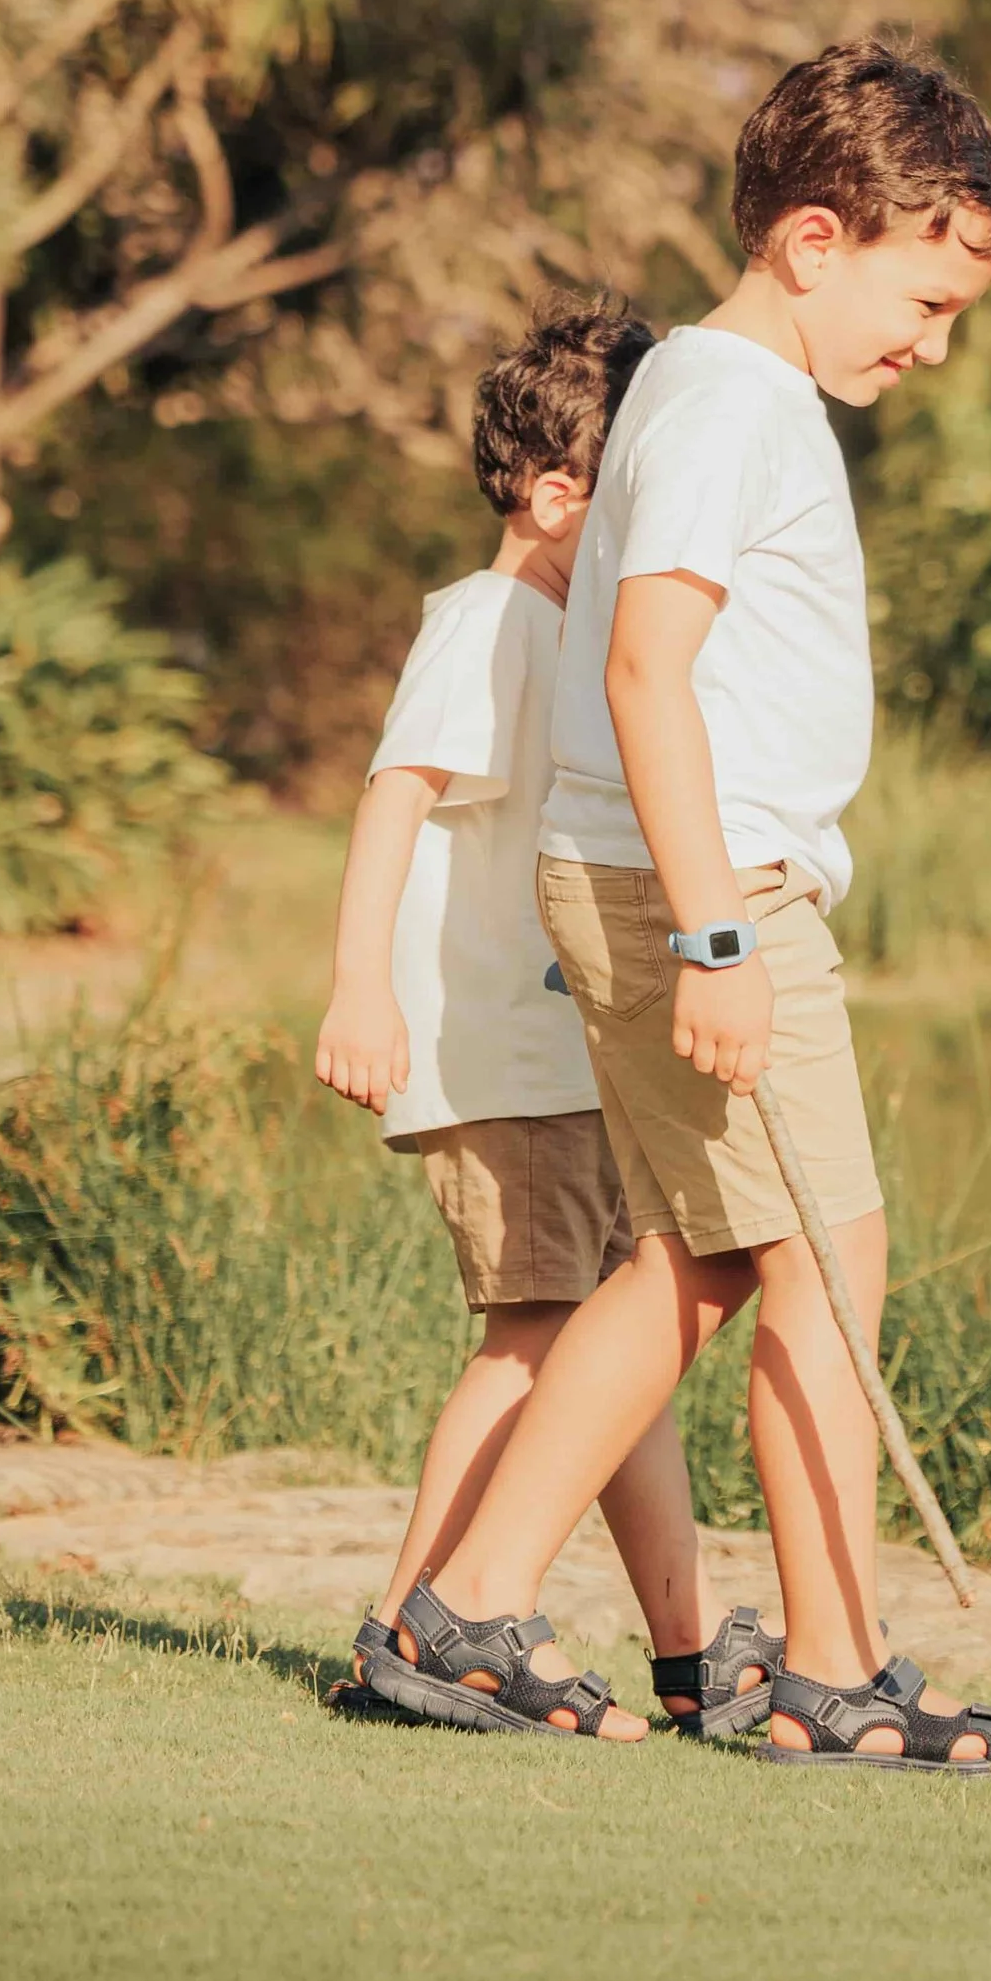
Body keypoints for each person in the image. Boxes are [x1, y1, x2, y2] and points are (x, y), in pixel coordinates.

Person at [363, 39, 991, 1774]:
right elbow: (648, 666)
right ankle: (826, 1669)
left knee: (703, 1261)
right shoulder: (737, 402)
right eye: (926, 293)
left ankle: (469, 1613)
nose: (934, 339)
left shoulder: (705, 388)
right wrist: (720, 937)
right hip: (705, 882)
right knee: (831, 1258)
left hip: (677, 876)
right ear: (815, 242)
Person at [315, 294, 771, 1737]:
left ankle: (688, 1652)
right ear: (560, 492)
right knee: (529, 1340)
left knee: (601, 1351)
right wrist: (357, 986)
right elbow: (393, 804)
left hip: (562, 1052)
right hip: (497, 1056)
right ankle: (410, 1632)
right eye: (627, 497)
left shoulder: (562, 641)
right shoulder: (488, 623)